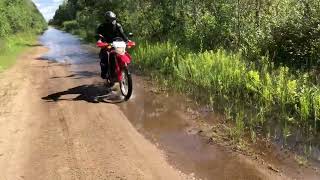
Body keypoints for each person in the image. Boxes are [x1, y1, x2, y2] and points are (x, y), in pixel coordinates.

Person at [96, 11, 129, 79]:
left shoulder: (118, 25)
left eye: (113, 19)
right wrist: (99, 40)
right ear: (106, 19)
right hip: (106, 44)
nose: (112, 21)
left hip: (117, 44)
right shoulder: (102, 26)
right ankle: (104, 72)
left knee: (124, 53)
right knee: (105, 56)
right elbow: (99, 35)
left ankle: (122, 67)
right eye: (110, 19)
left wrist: (127, 40)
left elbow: (122, 34)